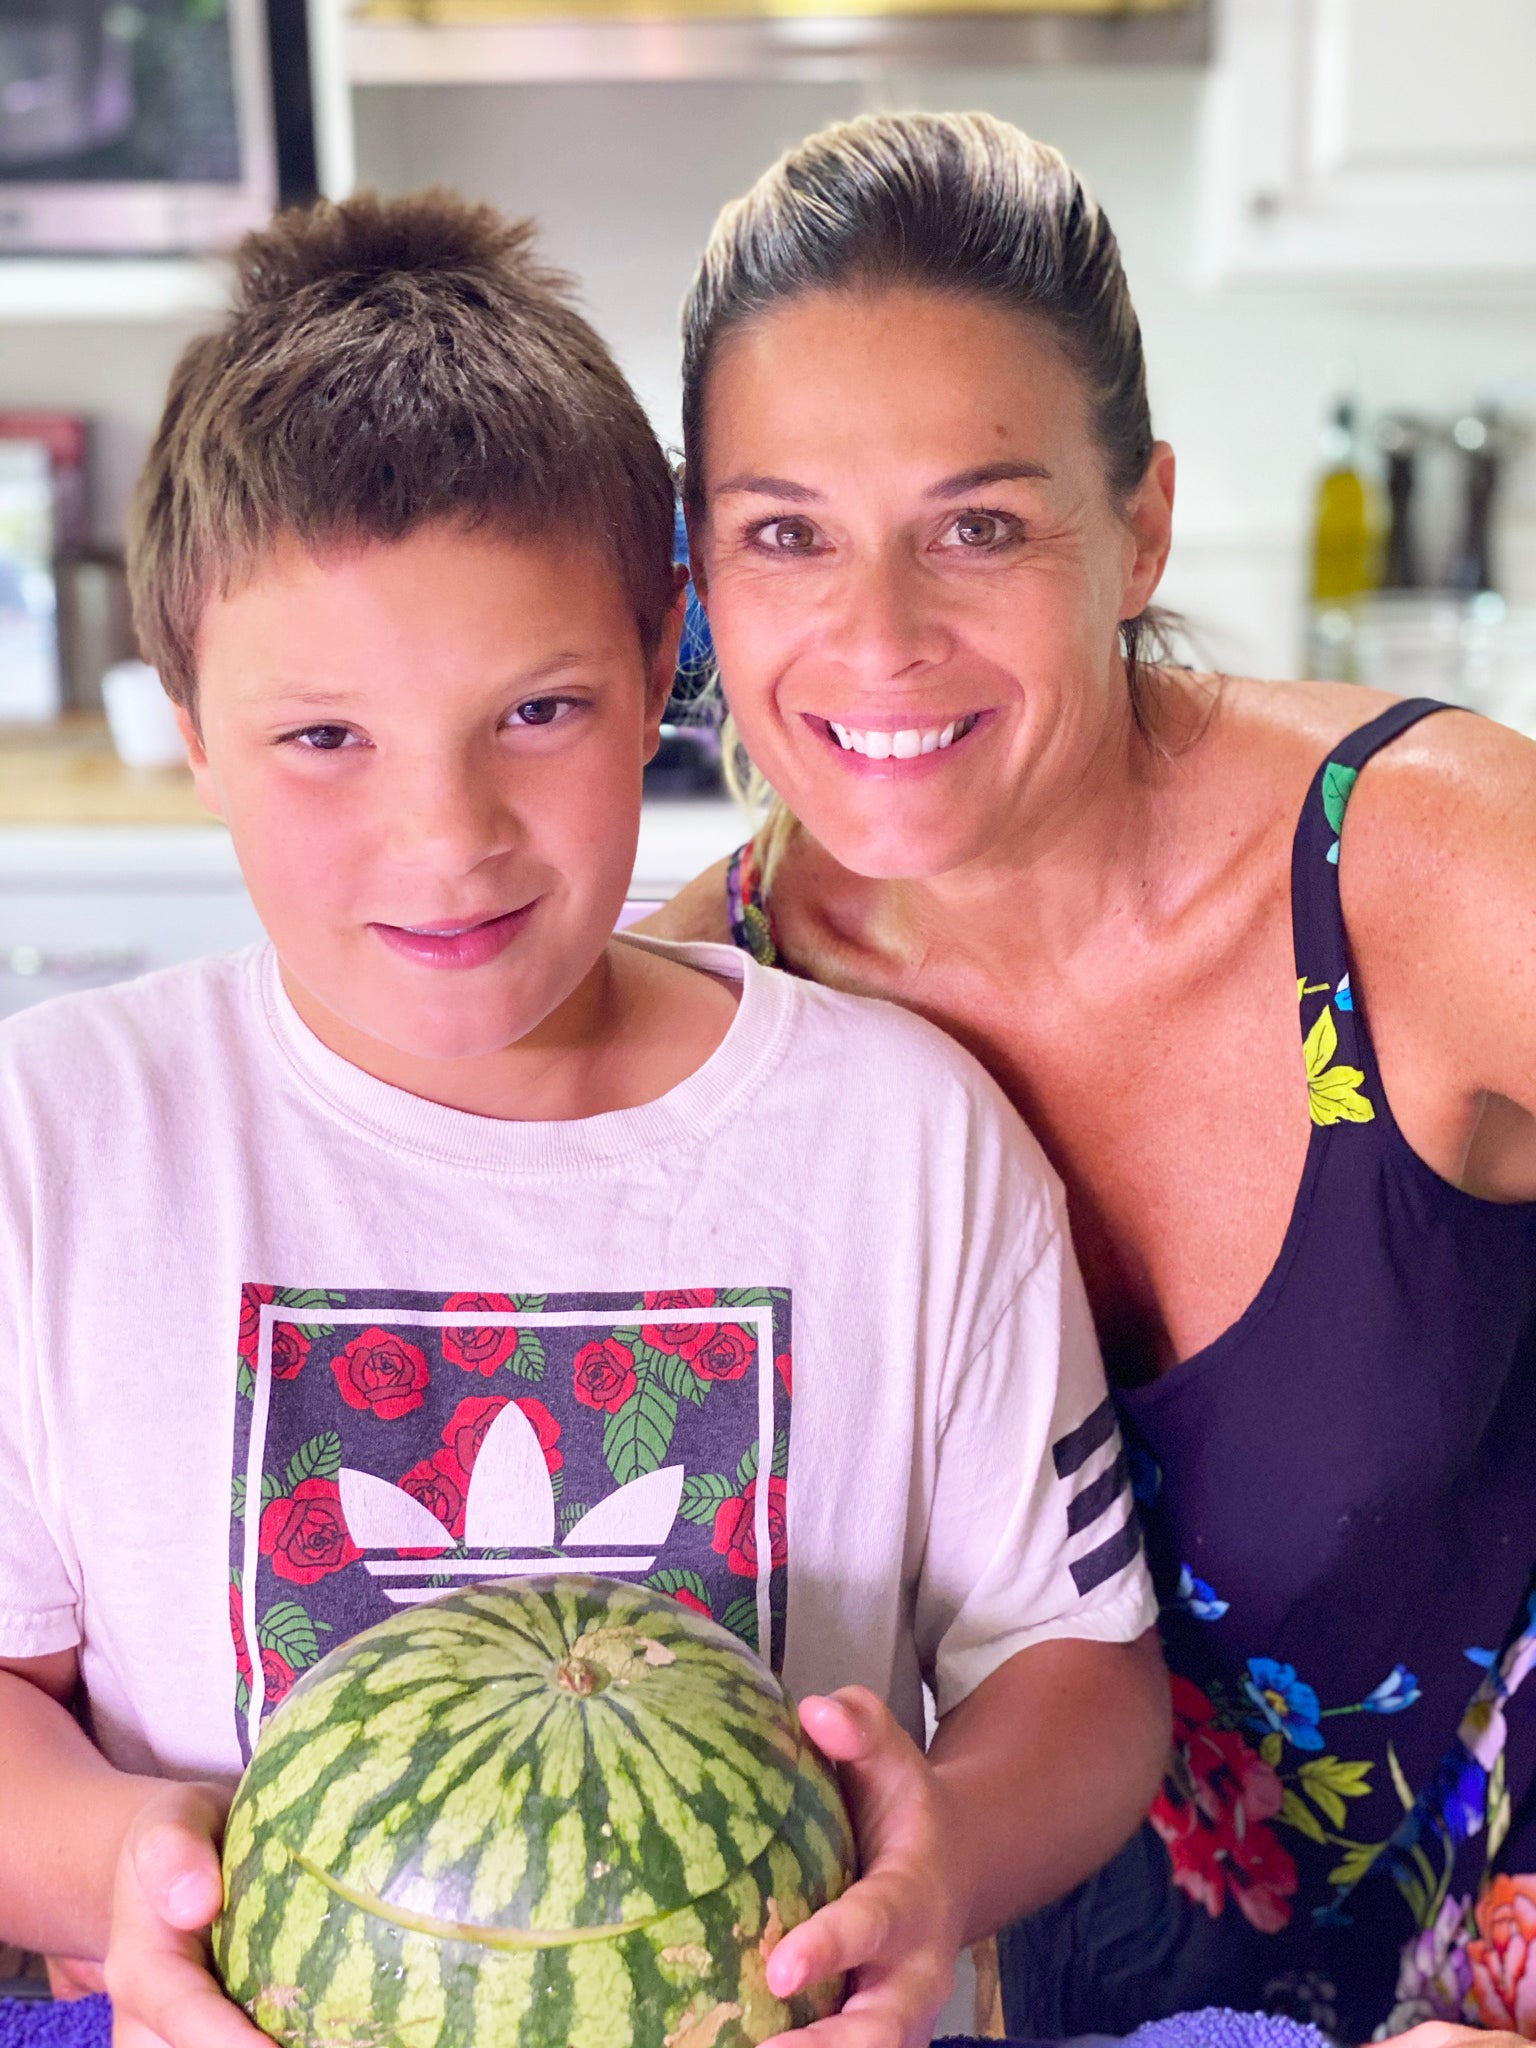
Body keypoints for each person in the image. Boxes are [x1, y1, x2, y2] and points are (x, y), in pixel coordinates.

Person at [0, 189, 1169, 2048]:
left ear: (664, 674)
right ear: (190, 728)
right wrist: (124, 1868)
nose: (445, 834)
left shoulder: (904, 1145)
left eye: (537, 709)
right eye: (325, 739)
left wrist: (935, 1857)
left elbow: (1083, 1678)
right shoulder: (55, 1148)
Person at [644, 109, 1536, 2046]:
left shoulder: (1422, 873)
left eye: (979, 523)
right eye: (786, 532)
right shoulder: (680, 1028)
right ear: (699, 572)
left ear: (1135, 529)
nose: (876, 637)